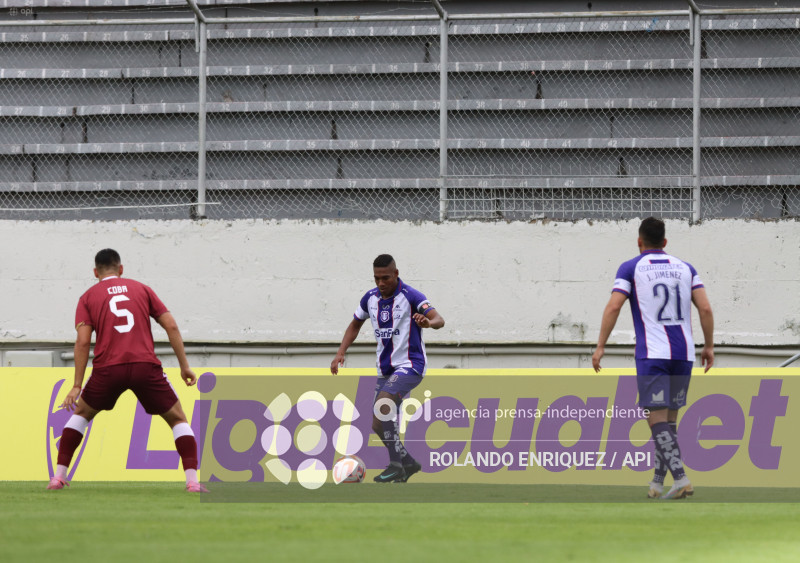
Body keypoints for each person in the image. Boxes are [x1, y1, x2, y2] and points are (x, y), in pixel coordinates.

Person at [47, 249, 207, 493]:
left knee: (81, 414)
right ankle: (192, 482)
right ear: (121, 269)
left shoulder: (87, 297)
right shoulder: (142, 289)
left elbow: (82, 341)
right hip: (145, 366)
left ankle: (58, 478)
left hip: (108, 368)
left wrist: (77, 385)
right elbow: (172, 326)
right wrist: (184, 366)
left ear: (95, 272)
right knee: (177, 418)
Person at [592, 217, 714, 500]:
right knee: (668, 423)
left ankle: (681, 479)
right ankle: (658, 483)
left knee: (656, 420)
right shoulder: (686, 268)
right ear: (665, 242)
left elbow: (613, 307)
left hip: (653, 355)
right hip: (683, 355)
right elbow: (705, 309)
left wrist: (600, 346)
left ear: (639, 241)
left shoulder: (631, 268)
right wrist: (708, 346)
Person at [331, 254, 445, 483]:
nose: (381, 283)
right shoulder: (370, 298)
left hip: (410, 365)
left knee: (384, 405)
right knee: (377, 424)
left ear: (396, 274)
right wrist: (341, 351)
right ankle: (408, 463)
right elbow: (354, 324)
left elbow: (439, 320)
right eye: (377, 278)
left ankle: (395, 465)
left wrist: (428, 323)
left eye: (385, 278)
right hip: (385, 369)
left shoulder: (411, 296)